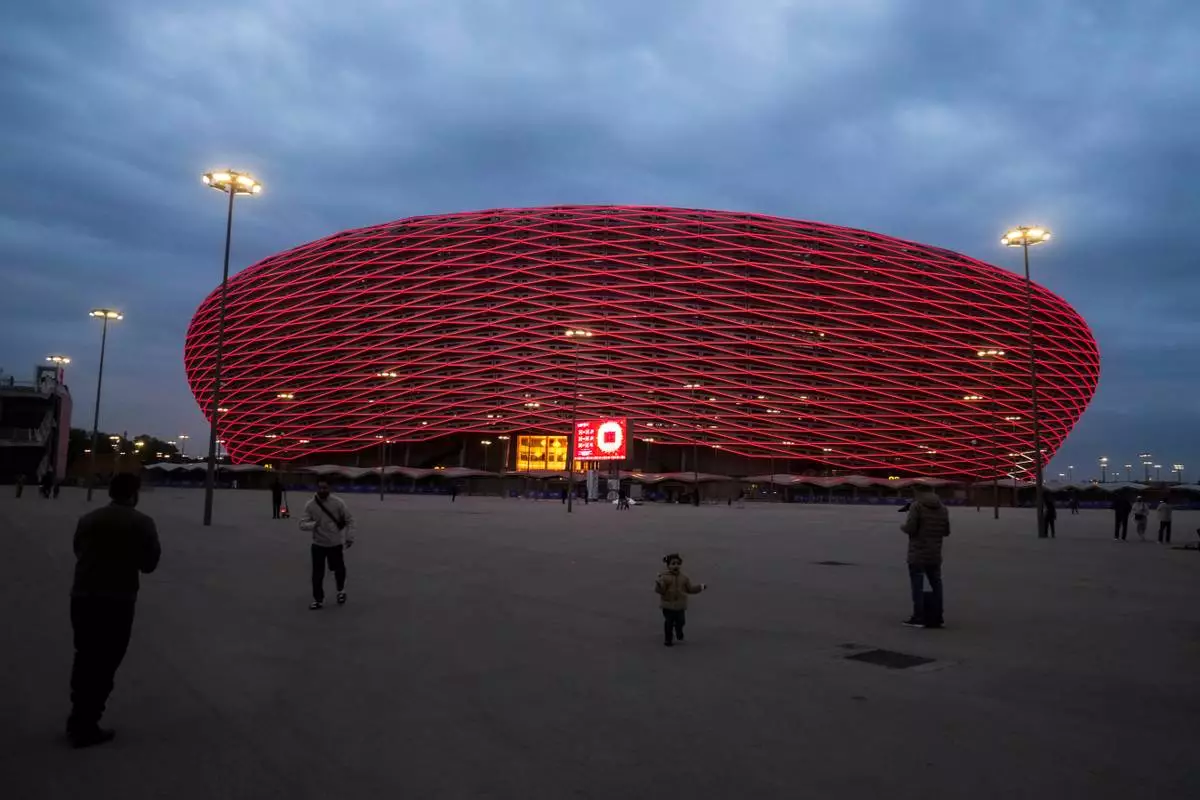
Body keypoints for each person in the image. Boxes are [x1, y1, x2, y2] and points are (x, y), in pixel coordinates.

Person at [66, 472, 161, 748]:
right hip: (117, 598)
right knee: (106, 661)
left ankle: (78, 717)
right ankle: (87, 723)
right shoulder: (142, 523)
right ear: (134, 493)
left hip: (82, 595)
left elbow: (78, 550)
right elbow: (150, 563)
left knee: (84, 656)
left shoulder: (88, 519)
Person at [300, 480, 355, 610]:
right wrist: (314, 525)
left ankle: (340, 591)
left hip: (335, 543)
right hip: (318, 544)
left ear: (329, 488)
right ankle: (318, 599)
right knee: (317, 573)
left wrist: (349, 537)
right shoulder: (310, 505)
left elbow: (350, 520)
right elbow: (302, 524)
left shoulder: (338, 503)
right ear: (316, 489)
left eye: (325, 488)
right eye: (320, 488)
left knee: (339, 570)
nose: (323, 490)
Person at [900, 486, 950, 629]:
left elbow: (911, 528)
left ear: (918, 492)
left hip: (918, 552)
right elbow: (946, 531)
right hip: (935, 552)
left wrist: (902, 527)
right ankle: (938, 615)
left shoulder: (917, 506)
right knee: (936, 584)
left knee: (917, 584)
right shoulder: (943, 508)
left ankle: (919, 616)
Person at [654, 553, 706, 647]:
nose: (676, 566)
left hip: (680, 605)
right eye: (673, 564)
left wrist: (700, 587)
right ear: (668, 565)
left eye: (678, 563)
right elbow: (661, 591)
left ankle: (679, 631)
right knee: (668, 622)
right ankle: (668, 639)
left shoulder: (684, 578)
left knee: (681, 621)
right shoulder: (664, 578)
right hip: (668, 605)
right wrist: (658, 585)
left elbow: (690, 589)